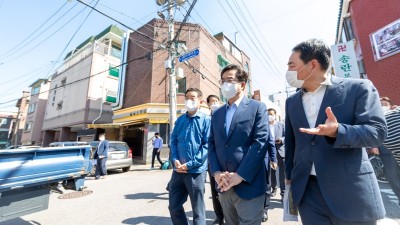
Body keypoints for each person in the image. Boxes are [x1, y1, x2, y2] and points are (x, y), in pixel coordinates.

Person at [285, 39, 387, 225]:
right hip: (308, 191)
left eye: (292, 65)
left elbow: (377, 131)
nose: (288, 71)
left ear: (312, 64)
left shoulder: (358, 88)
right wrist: (289, 180)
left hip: (349, 190)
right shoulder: (291, 102)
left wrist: (338, 131)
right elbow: (292, 143)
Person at [208, 64, 275, 225]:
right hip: (224, 184)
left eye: (230, 80)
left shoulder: (257, 107)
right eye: (223, 81)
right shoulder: (217, 113)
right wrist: (217, 173)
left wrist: (240, 175)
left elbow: (260, 143)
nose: (225, 84)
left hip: (249, 184)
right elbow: (211, 144)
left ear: (242, 84)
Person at [168, 88, 211, 225]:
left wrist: (190, 164)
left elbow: (207, 145)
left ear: (200, 101)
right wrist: (175, 160)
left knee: (198, 210)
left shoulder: (206, 120)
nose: (189, 100)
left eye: (192, 97)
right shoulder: (180, 121)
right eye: (187, 97)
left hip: (196, 171)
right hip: (178, 171)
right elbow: (173, 141)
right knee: (174, 206)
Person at [370, 97, 400, 206]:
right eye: (381, 104)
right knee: (393, 176)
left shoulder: (393, 114)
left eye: (385, 104)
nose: (383, 106)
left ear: (390, 105)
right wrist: (374, 146)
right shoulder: (377, 117)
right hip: (384, 149)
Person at [206, 94, 224, 225]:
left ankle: (231, 215)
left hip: (226, 158)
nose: (214, 103)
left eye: (216, 101)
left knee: (227, 187)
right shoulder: (206, 119)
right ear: (208, 105)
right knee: (215, 189)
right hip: (212, 160)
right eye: (211, 102)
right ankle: (219, 216)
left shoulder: (226, 116)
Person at [268, 108, 285, 200]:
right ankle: (274, 188)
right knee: (272, 172)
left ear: (275, 115)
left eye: (271, 114)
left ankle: (283, 192)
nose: (270, 116)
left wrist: (281, 140)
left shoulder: (281, 125)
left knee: (282, 173)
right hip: (270, 152)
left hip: (280, 151)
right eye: (268, 114)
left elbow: (287, 136)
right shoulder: (265, 126)